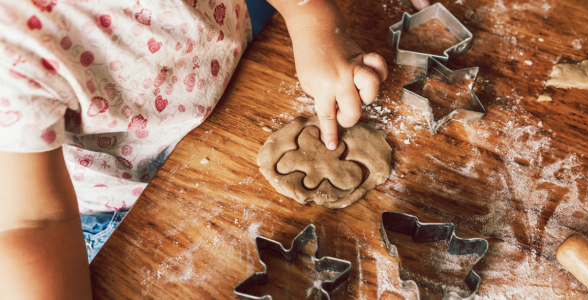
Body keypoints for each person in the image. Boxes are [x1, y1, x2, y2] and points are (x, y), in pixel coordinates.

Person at [0, 0, 429, 298]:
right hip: (116, 203)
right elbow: (32, 223)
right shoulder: (11, 49)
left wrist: (313, 23)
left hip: (235, 67)